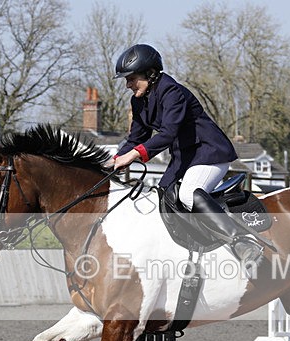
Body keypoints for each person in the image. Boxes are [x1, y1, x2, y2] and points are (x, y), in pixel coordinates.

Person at [111, 44, 263, 273]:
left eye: (132, 78)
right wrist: (111, 162)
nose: (128, 85)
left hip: (210, 152)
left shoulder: (172, 92)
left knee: (188, 194)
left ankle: (241, 242)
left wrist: (133, 156)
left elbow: (167, 134)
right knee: (160, 199)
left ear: (150, 74)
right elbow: (135, 139)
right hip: (184, 158)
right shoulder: (138, 101)